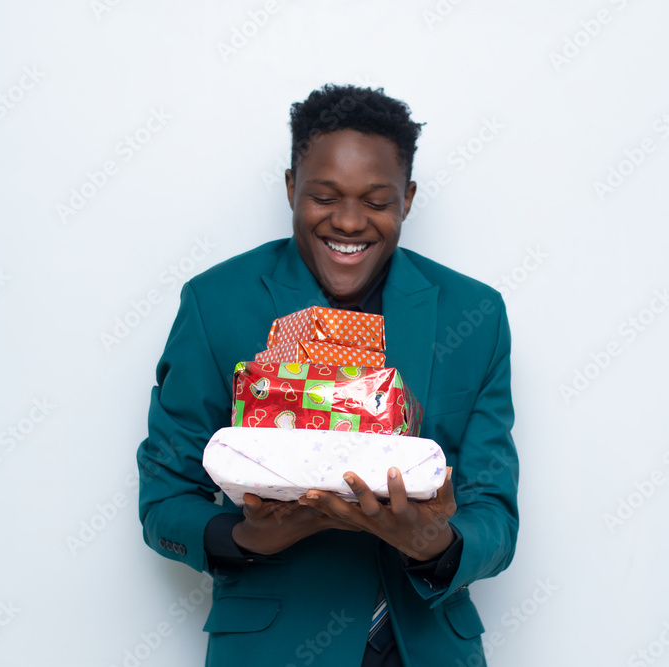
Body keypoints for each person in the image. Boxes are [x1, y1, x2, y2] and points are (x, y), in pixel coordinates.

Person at [137, 83, 519, 667]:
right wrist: (251, 537)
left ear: (408, 199)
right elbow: (165, 495)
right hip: (273, 647)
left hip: (429, 647)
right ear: (291, 188)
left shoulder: (476, 314)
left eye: (376, 200)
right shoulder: (216, 304)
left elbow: (495, 511)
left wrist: (430, 542)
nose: (348, 221)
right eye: (323, 196)